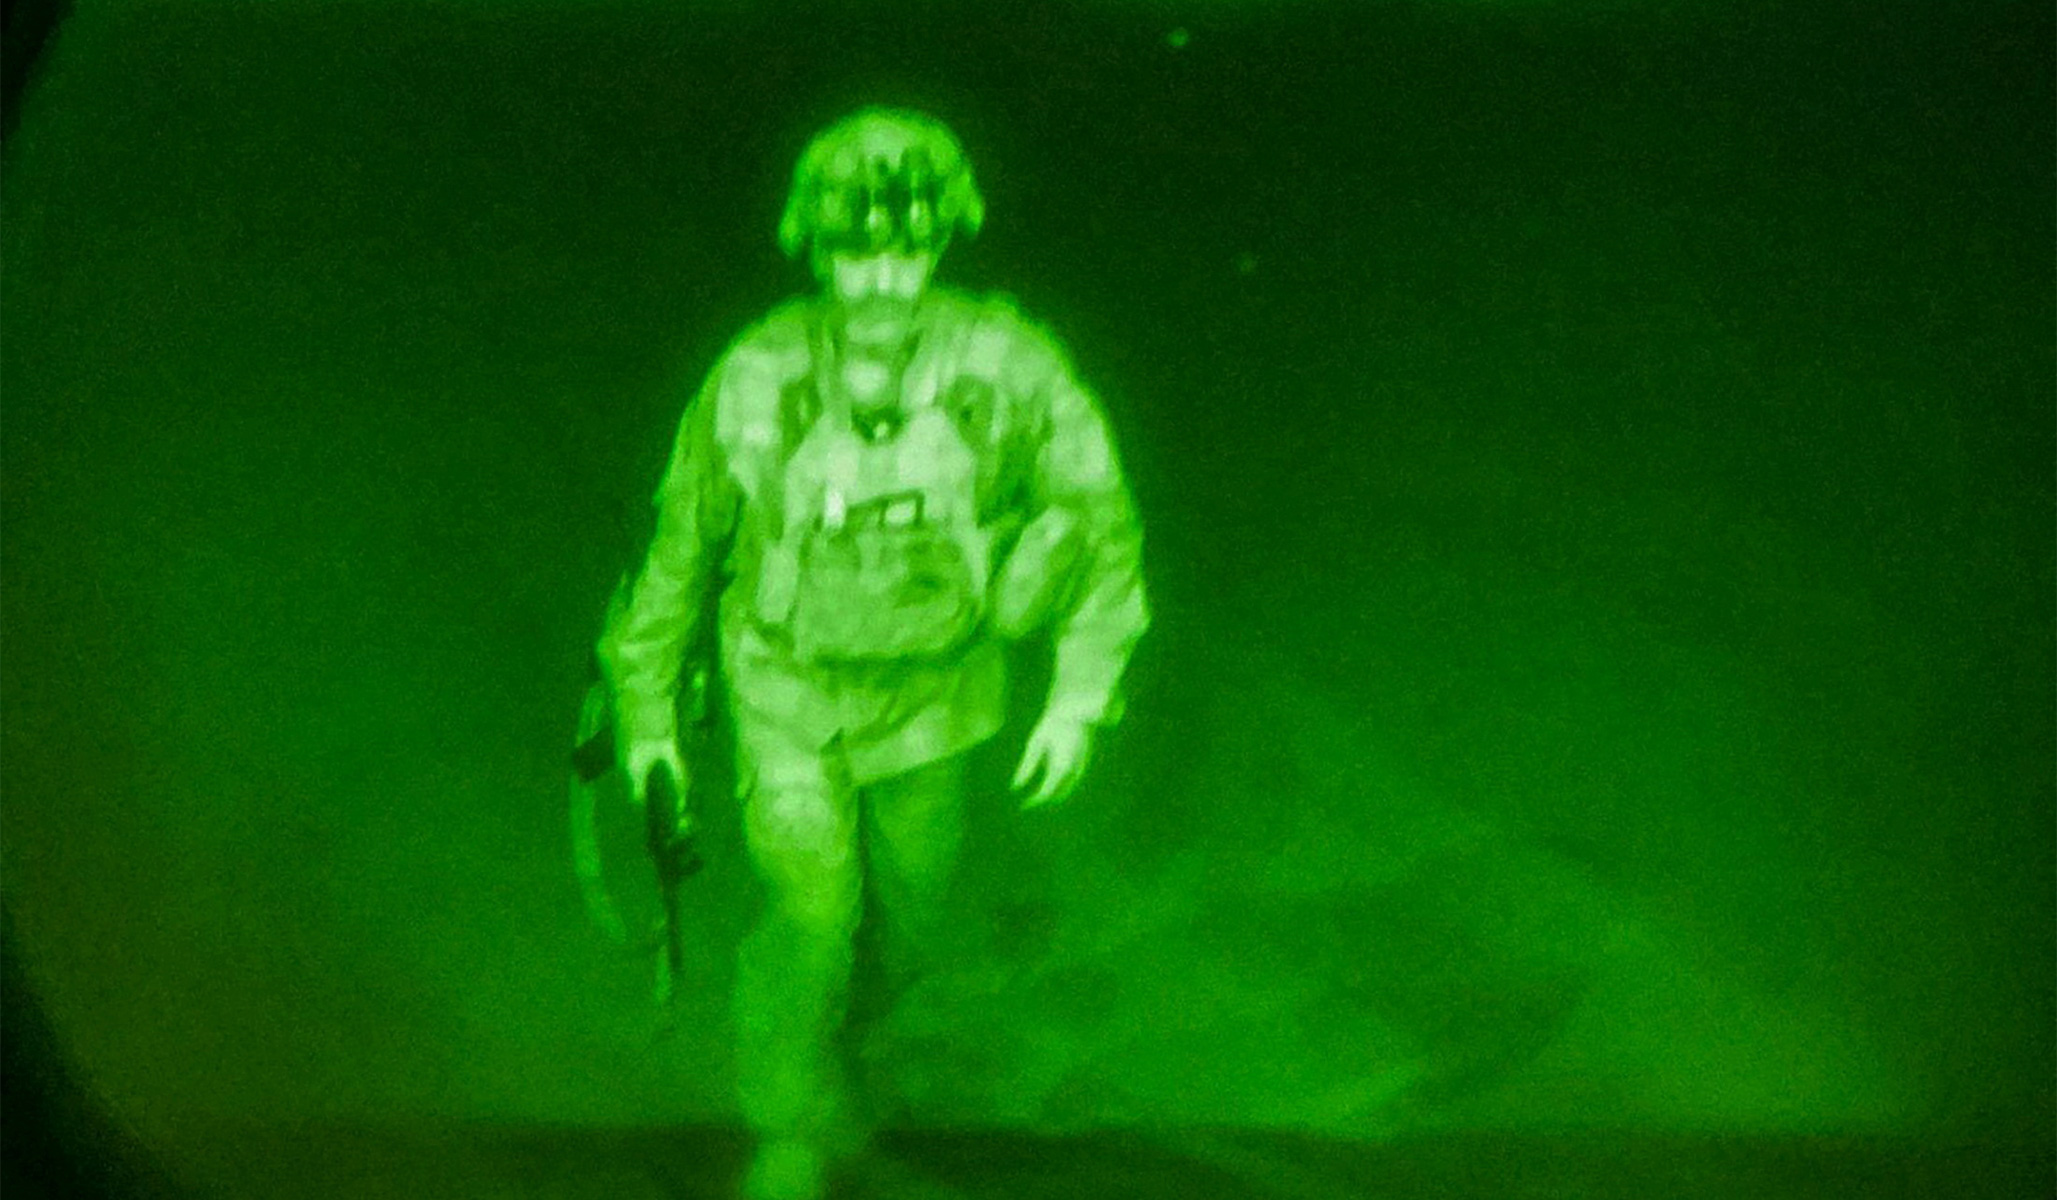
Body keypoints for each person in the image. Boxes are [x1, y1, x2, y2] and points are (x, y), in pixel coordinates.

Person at [597, 106, 1150, 1200]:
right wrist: (648, 717)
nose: (883, 278)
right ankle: (787, 1122)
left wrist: (1077, 696)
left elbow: (1097, 522)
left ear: (942, 240)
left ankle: (838, 1044)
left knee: (907, 923)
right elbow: (679, 548)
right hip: (784, 690)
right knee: (810, 912)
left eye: (906, 247)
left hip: (939, 702)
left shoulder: (1012, 366)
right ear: (815, 247)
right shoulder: (755, 374)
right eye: (856, 250)